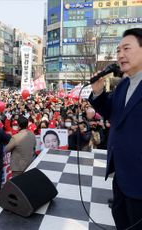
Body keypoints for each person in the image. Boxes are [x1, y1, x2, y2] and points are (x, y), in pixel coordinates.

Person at [89, 28, 142, 230]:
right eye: (118, 50)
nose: (120, 55)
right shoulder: (122, 84)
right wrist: (99, 92)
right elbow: (112, 113)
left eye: (126, 49)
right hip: (121, 173)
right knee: (121, 219)